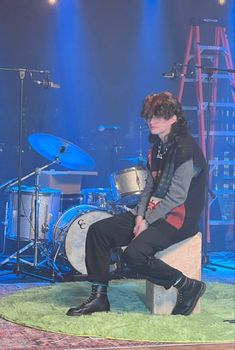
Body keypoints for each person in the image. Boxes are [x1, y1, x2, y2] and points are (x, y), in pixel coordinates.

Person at [67, 91, 207, 317]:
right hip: (153, 212)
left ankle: (187, 286)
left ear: (173, 119)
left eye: (159, 116)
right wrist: (140, 217)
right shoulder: (156, 150)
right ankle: (99, 297)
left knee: (133, 256)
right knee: (98, 231)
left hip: (179, 219)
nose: (152, 121)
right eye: (150, 116)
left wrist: (147, 222)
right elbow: (149, 188)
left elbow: (177, 197)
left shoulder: (185, 149)